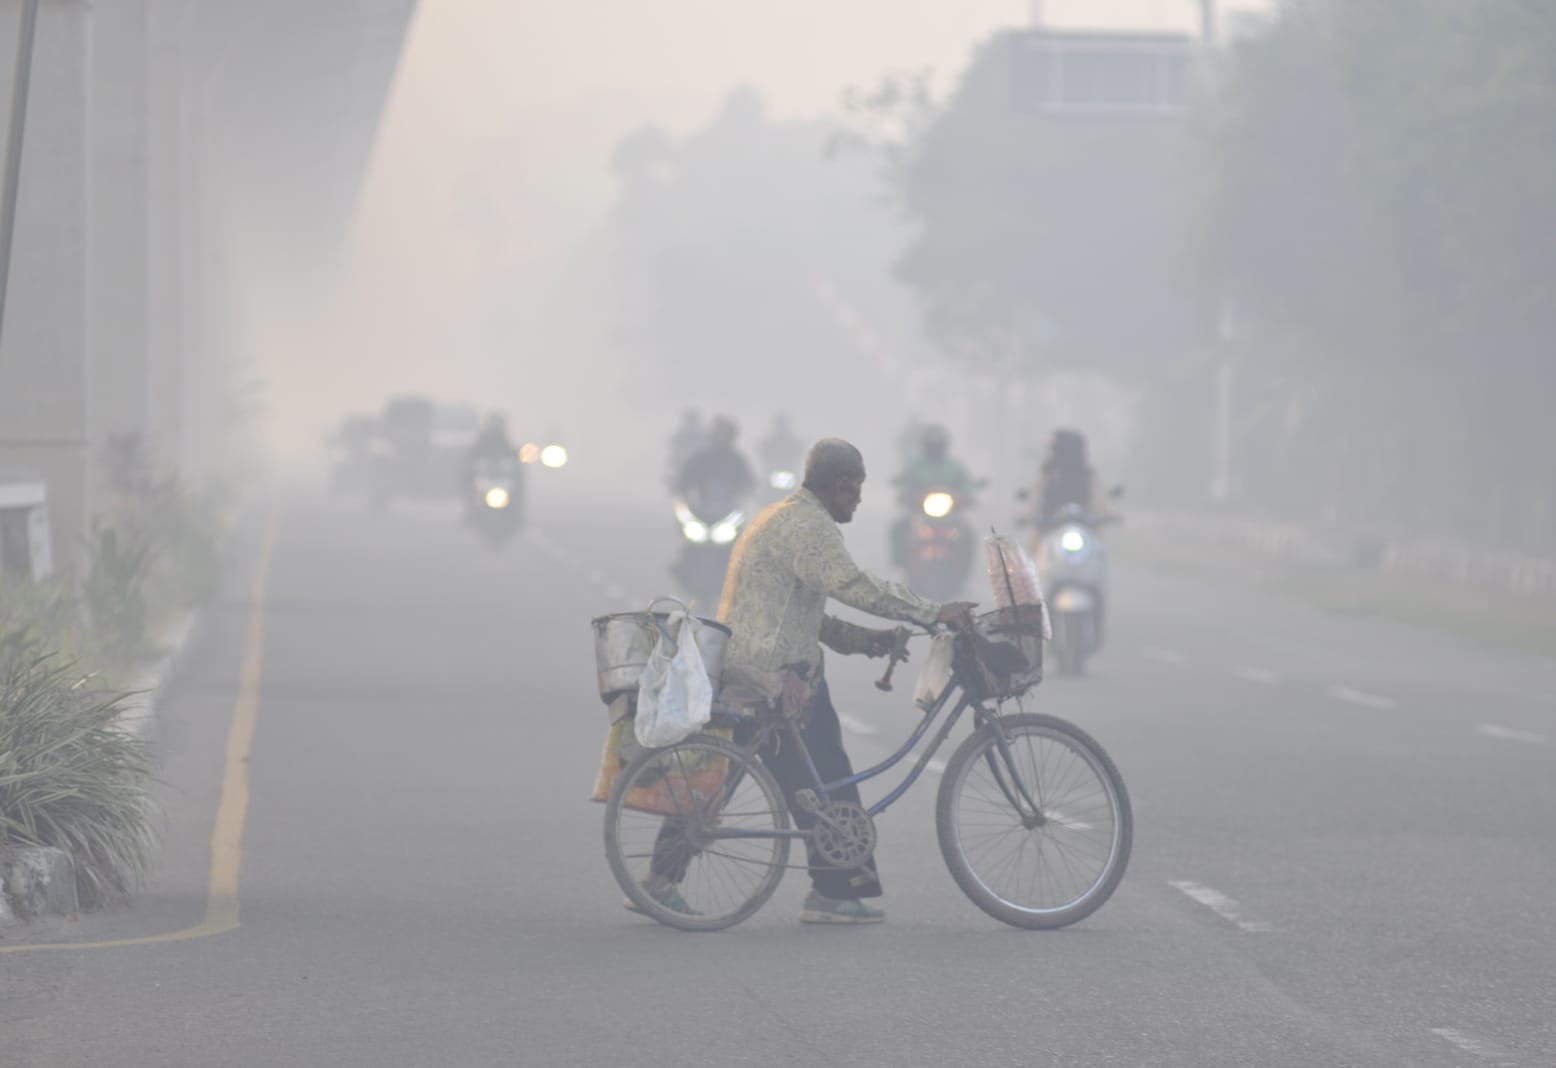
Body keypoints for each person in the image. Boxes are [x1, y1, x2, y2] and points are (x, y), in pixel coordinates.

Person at [641, 438, 976, 923]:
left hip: (752, 667)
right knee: (825, 779)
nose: (859, 500)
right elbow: (853, 585)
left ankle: (661, 879)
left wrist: (865, 640)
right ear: (841, 486)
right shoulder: (809, 527)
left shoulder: (779, 516)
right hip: (776, 680)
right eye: (857, 490)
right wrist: (932, 610)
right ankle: (835, 891)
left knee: (751, 778)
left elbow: (800, 613)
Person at [892, 423, 979, 565]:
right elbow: (906, 486)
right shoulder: (915, 466)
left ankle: (964, 567)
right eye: (932, 445)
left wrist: (966, 497)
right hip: (920, 514)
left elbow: (965, 486)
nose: (935, 449)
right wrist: (907, 496)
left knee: (968, 533)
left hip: (951, 515)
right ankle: (900, 564)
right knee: (898, 528)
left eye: (938, 445)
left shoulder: (955, 466)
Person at [1031, 428, 1107, 530]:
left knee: (1096, 538)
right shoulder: (1049, 470)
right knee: (1036, 541)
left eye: (1056, 447)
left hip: (1082, 522)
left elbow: (1098, 496)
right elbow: (1037, 493)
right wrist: (1029, 513)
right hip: (1051, 522)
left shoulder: (1086, 472)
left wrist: (1106, 513)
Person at [674, 414, 755, 512]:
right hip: (700, 508)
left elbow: (747, 481)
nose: (721, 438)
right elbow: (685, 478)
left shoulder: (737, 461)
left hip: (728, 509)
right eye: (718, 434)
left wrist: (747, 487)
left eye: (725, 434)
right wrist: (679, 485)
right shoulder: (699, 460)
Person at [666, 409, 705, 483]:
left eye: (693, 420)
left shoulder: (703, 436)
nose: (691, 423)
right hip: (682, 470)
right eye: (690, 420)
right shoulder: (679, 437)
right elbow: (674, 455)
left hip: (700, 472)